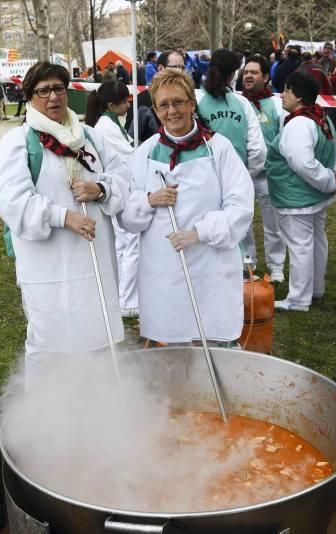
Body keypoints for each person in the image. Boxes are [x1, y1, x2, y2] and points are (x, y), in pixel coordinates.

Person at [0, 62, 129, 381]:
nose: (52, 97)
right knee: (50, 341)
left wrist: (102, 189)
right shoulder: (19, 143)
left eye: (58, 88)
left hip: (94, 263)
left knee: (97, 335)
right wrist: (62, 216)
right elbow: (12, 201)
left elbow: (124, 177)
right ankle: (45, 416)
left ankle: (99, 404)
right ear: (30, 97)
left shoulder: (91, 138)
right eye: (43, 91)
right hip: (49, 266)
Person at [118, 68, 254, 345]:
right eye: (164, 105)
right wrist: (149, 200)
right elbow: (126, 216)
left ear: (192, 103)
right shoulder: (145, 152)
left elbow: (241, 206)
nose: (172, 111)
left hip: (211, 267)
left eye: (179, 102)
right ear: (155, 110)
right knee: (174, 346)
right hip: (163, 272)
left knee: (212, 339)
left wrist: (199, 233)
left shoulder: (219, 149)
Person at [266, 71, 336, 312]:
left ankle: (299, 299)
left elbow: (302, 162)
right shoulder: (321, 117)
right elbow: (333, 155)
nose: (282, 95)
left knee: (300, 245)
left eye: (287, 91)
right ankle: (315, 288)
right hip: (314, 197)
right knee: (315, 240)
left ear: (299, 96)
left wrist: (329, 180)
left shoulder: (300, 124)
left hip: (297, 197)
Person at [85, 80, 140, 318]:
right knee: (131, 245)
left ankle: (120, 296)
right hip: (118, 190)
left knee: (122, 245)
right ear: (111, 104)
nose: (128, 105)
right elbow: (130, 155)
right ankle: (127, 300)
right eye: (124, 101)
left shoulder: (109, 123)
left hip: (116, 189)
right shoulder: (105, 127)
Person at [241, 54, 287, 282]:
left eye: (254, 72)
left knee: (273, 223)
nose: (248, 75)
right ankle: (247, 263)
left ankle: (276, 267)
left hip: (270, 175)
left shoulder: (277, 104)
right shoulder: (237, 103)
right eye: (246, 72)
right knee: (244, 223)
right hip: (244, 174)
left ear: (266, 77)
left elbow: (285, 138)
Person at [197, 48, 266, 182]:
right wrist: (245, 176)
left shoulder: (195, 101)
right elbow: (258, 150)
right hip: (236, 177)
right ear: (233, 74)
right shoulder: (242, 103)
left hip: (202, 178)